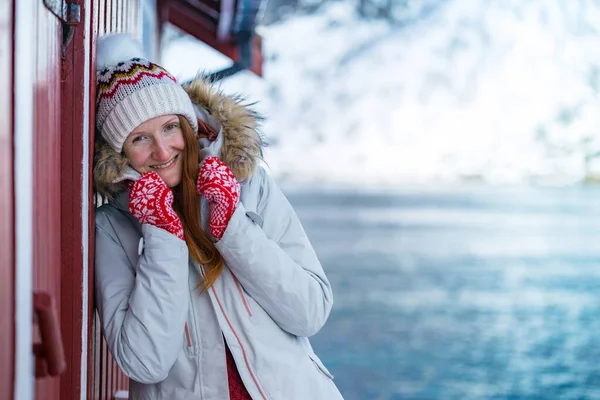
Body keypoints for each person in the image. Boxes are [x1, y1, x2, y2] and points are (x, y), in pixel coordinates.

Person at [92, 33, 344, 400]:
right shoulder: (114, 228)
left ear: (187, 124)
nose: (163, 150)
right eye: (139, 139)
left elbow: (309, 312)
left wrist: (233, 226)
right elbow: (145, 363)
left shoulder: (247, 185)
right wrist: (161, 234)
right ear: (120, 152)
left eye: (169, 127)